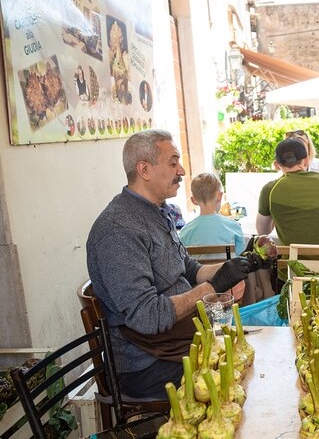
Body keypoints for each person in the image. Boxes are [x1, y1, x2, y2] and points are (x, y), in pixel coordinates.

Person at [87, 129, 267, 399]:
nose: (182, 170)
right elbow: (148, 316)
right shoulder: (118, 230)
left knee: (252, 357)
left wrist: (233, 268)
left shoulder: (157, 211)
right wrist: (212, 288)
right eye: (173, 163)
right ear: (144, 170)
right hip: (145, 365)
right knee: (242, 377)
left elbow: (190, 270)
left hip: (178, 341)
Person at [256, 137, 319, 246]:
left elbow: (263, 232)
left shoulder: (270, 189)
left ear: (277, 164)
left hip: (293, 262)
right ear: (306, 160)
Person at [180, 172, 246, 256]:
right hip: (227, 269)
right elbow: (240, 257)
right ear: (219, 196)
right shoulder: (234, 227)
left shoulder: (185, 232)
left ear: (193, 200)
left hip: (198, 269)